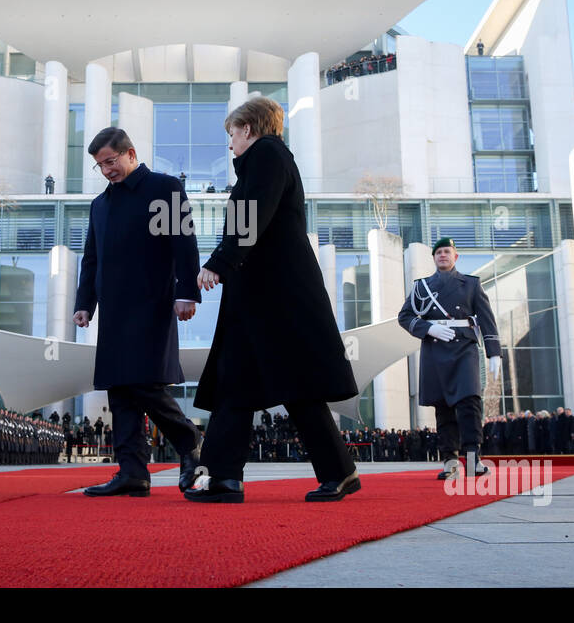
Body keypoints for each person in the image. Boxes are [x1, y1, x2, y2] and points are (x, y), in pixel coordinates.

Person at [187, 96, 361, 503]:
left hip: (277, 294)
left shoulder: (266, 155)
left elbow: (252, 215)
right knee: (237, 382)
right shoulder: (264, 160)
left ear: (247, 129)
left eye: (231, 134)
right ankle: (224, 477)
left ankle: (334, 472)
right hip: (262, 294)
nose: (229, 144)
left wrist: (219, 262)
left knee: (287, 383)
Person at [74, 126, 204, 498]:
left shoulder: (163, 189)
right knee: (119, 387)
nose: (107, 171)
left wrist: (187, 292)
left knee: (143, 380)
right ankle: (132, 471)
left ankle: (190, 440)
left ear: (130, 153)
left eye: (111, 161)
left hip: (152, 301)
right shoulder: (100, 204)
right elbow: (92, 259)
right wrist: (85, 304)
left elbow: (183, 240)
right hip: (113, 308)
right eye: (100, 166)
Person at [398, 237, 502, 480]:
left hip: (463, 347)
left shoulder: (471, 284)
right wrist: (428, 329)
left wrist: (494, 351)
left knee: (469, 404)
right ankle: (450, 462)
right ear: (433, 258)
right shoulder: (421, 287)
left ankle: (474, 459)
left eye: (447, 252)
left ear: (456, 257)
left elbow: (487, 318)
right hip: (435, 347)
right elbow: (404, 317)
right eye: (439, 252)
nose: (443, 255)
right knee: (443, 408)